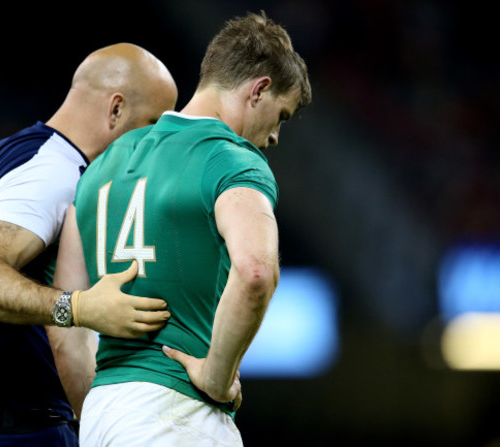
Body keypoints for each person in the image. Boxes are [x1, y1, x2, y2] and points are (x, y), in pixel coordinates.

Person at [52, 11, 312, 447]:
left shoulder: (102, 166)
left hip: (102, 413)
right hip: (178, 413)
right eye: (281, 116)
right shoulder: (232, 160)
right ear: (259, 89)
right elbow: (255, 273)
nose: (274, 138)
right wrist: (216, 374)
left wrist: (103, 410)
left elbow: (66, 326)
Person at [0, 43, 178, 447]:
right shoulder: (58, 173)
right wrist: (78, 307)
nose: (150, 145)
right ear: (116, 109)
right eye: (151, 124)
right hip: (20, 428)